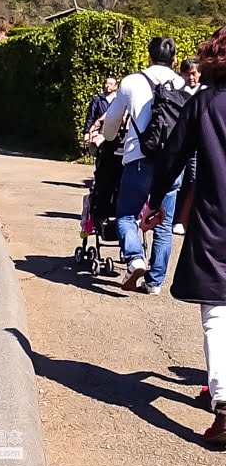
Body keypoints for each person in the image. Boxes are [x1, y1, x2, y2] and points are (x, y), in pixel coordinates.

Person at [140, 27, 226, 444]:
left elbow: (173, 153)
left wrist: (156, 200)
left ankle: (224, 405)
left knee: (217, 309)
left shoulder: (204, 103)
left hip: (216, 218)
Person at [101, 37, 186, 294]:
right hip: (172, 164)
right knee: (163, 221)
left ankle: (135, 257)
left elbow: (112, 123)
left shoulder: (131, 81)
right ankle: (154, 282)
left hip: (138, 159)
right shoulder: (183, 84)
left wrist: (108, 137)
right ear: (174, 60)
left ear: (148, 57)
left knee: (127, 214)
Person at [173, 58, 203, 236]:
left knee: (193, 181)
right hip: (180, 145)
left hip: (197, 147)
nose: (191, 77)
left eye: (194, 73)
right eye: (187, 74)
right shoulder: (177, 92)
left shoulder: (205, 92)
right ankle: (173, 216)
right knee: (175, 182)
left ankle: (185, 219)